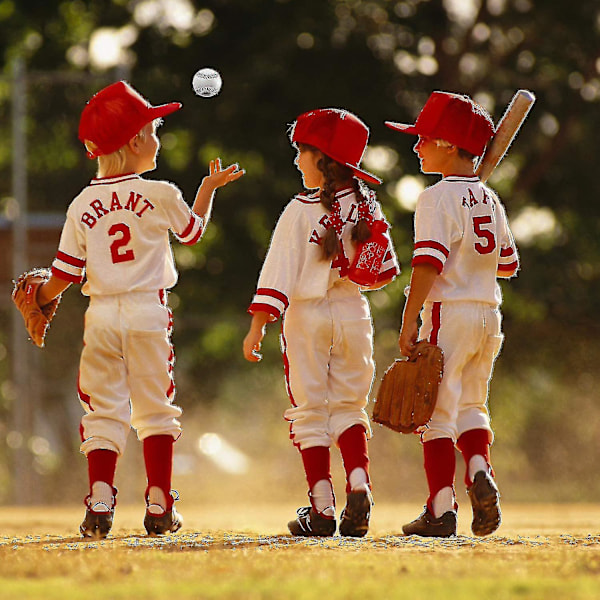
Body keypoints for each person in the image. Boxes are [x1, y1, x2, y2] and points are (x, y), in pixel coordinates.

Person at [35, 80, 244, 539]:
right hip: (149, 312)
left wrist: (40, 298)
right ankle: (159, 504)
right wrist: (207, 188)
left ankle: (100, 502)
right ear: (134, 142)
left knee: (103, 408)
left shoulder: (80, 204)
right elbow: (192, 233)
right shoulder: (161, 192)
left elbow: (64, 275)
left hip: (103, 315)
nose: (158, 136)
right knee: (155, 408)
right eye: (153, 129)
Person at [243, 108, 400, 537]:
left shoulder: (298, 209)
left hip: (307, 315)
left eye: (303, 152)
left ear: (323, 159)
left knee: (310, 411)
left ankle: (323, 508)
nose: (297, 161)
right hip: (352, 312)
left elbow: (277, 273)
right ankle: (359, 481)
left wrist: (258, 324)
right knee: (349, 407)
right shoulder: (367, 204)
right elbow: (383, 271)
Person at [385, 91, 520, 537]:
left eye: (423, 138)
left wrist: (409, 322)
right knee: (473, 405)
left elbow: (428, 263)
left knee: (436, 414)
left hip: (449, 312)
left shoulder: (434, 198)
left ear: (446, 143)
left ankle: (441, 509)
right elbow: (508, 264)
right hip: (489, 313)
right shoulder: (491, 199)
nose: (416, 146)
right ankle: (480, 467)